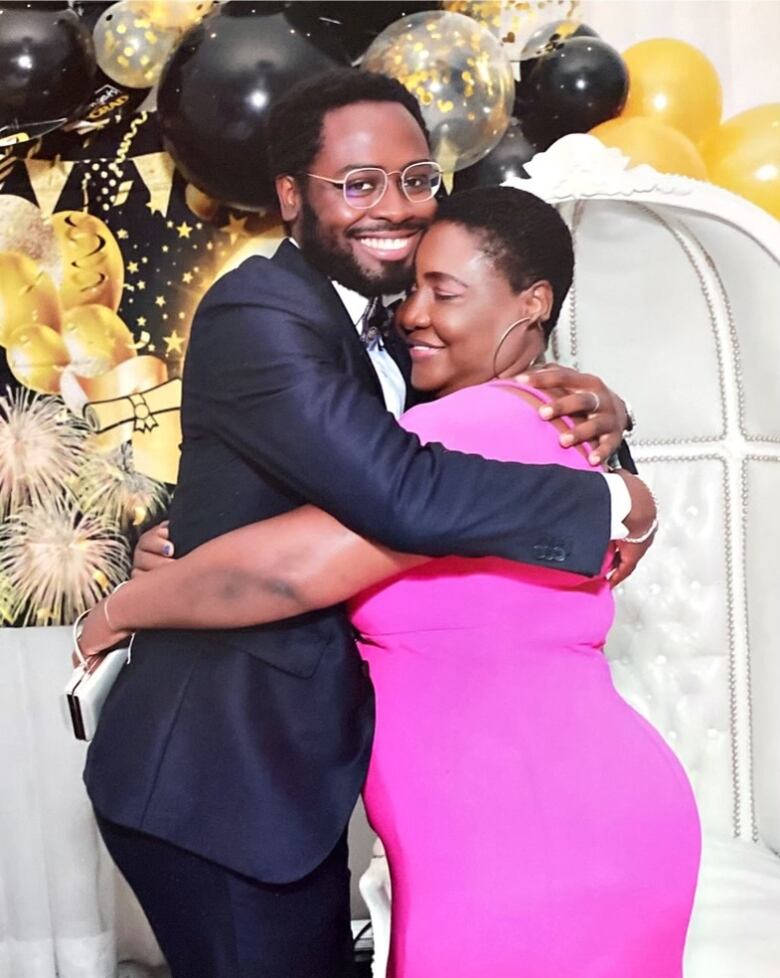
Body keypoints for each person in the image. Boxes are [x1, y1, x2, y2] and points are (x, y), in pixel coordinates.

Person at [81, 70, 656, 978]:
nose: (394, 205)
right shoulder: (259, 311)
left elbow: (488, 431)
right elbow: (398, 494)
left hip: (299, 777)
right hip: (218, 777)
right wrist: (611, 506)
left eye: (416, 178)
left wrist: (611, 434)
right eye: (357, 184)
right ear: (288, 198)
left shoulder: (396, 333)